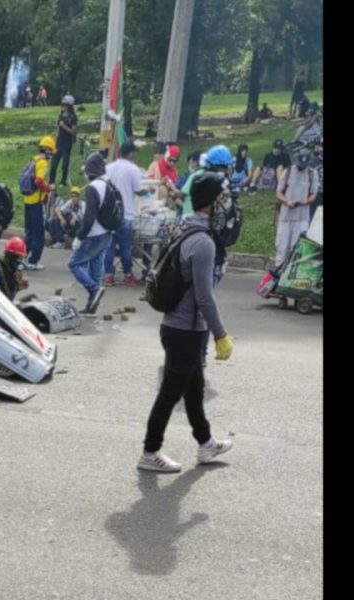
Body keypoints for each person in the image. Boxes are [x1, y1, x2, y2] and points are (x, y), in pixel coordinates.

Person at [138, 172, 235, 473]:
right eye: (222, 199)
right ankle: (150, 452)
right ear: (209, 203)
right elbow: (204, 297)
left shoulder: (185, 227)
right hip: (184, 331)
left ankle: (206, 444)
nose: (226, 205)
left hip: (179, 327)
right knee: (170, 393)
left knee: (194, 389)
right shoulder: (202, 243)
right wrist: (220, 333)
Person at [69, 153, 114, 314]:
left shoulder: (94, 187)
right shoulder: (108, 182)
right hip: (107, 233)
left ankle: (94, 290)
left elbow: (89, 218)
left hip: (94, 234)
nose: (85, 176)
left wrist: (79, 237)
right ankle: (91, 306)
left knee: (74, 263)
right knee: (95, 267)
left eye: (86, 172)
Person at [103, 140, 146, 286]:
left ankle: (108, 275)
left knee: (109, 246)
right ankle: (128, 274)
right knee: (125, 247)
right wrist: (148, 191)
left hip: (110, 213)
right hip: (126, 213)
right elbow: (139, 190)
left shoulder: (108, 167)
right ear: (131, 154)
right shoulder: (133, 169)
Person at [274, 148, 318, 268]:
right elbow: (278, 193)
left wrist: (307, 200)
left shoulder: (312, 174)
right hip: (286, 216)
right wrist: (286, 201)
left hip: (302, 217)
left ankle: (292, 273)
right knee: (281, 247)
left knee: (297, 248)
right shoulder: (288, 172)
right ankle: (278, 270)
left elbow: (314, 194)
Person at [23, 136, 56, 270]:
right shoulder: (43, 163)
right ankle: (34, 260)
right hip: (36, 201)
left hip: (27, 200)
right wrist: (49, 187)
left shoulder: (34, 159)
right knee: (39, 234)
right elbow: (38, 181)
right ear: (48, 151)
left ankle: (22, 258)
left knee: (29, 232)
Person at [50, 95, 78, 186]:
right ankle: (51, 181)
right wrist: (54, 136)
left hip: (67, 143)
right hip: (58, 142)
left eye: (65, 105)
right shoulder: (61, 115)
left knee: (64, 165)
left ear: (69, 106)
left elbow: (74, 132)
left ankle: (63, 181)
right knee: (53, 164)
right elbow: (59, 128)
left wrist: (64, 126)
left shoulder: (73, 117)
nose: (63, 106)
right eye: (63, 104)